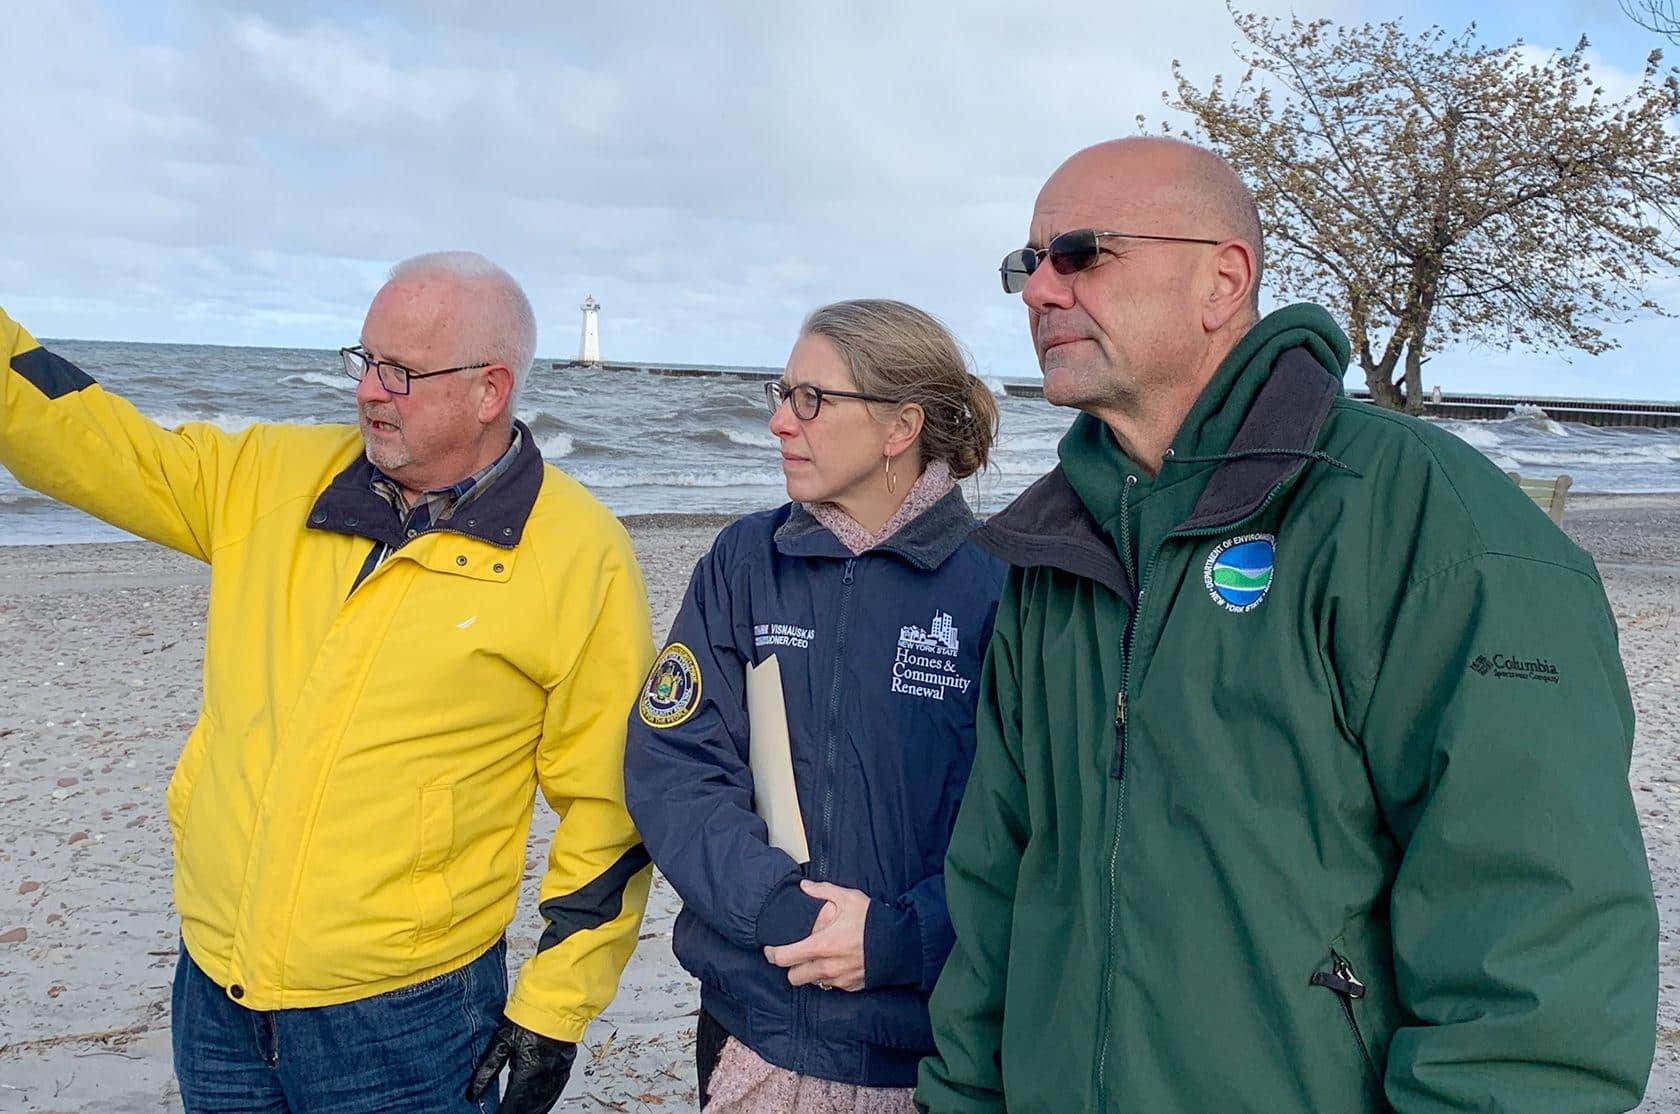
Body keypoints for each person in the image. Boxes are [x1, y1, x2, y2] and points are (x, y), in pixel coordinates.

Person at [917, 138, 1659, 1112]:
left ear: (1223, 279)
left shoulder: (1428, 526)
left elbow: (1536, 958)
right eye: (1028, 263)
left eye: (1082, 253)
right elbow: (994, 901)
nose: (1040, 291)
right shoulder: (1049, 550)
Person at [0, 252, 655, 1113]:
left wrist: (553, 1011)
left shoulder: (579, 553)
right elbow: (87, 436)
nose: (368, 391)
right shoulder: (265, 478)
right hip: (217, 986)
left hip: (410, 1016)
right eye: (364, 359)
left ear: (491, 390)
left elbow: (609, 805)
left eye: (401, 372)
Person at [623, 299, 1005, 1111]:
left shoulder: (1002, 586)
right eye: (780, 392)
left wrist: (903, 937)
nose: (778, 424)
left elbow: (1038, 820)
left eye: (811, 400)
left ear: (900, 427)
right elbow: (675, 760)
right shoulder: (743, 561)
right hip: (755, 1021)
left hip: (932, 1045)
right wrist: (775, 909)